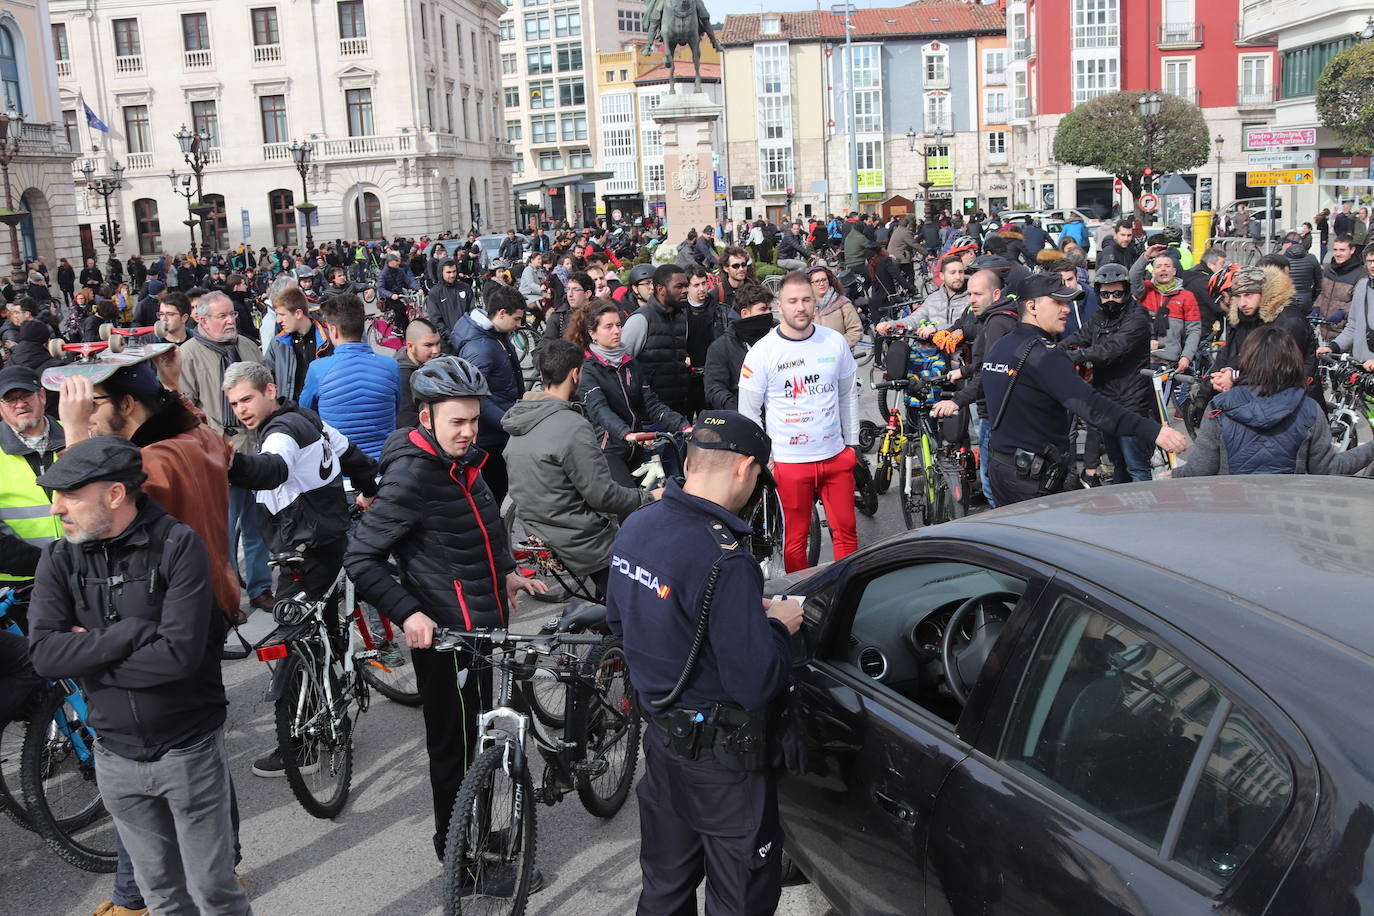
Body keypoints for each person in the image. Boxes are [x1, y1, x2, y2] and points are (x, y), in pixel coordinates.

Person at [26, 437, 251, 916]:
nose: (56, 508)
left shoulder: (177, 545)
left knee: (214, 890)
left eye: (69, 494)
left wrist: (86, 652)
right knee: (162, 898)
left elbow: (178, 658)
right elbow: (45, 655)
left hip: (186, 749)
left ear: (114, 495)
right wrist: (130, 632)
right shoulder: (59, 558)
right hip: (113, 755)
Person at [344, 356, 546, 870]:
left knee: (480, 739)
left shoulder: (461, 463)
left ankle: (476, 836)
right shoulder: (412, 475)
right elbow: (361, 559)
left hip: (481, 628)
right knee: (454, 753)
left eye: (475, 419)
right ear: (426, 417)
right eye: (457, 421)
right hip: (446, 639)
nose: (469, 430)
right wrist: (408, 612)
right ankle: (460, 856)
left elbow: (480, 528)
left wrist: (505, 573)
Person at [607, 410, 803, 916]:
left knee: (665, 891)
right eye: (759, 476)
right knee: (739, 898)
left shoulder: (638, 525)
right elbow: (756, 682)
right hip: (724, 765)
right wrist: (779, 625)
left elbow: (623, 621)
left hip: (664, 745)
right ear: (743, 469)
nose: (756, 486)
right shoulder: (726, 557)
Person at [221, 360, 379, 776]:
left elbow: (273, 470)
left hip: (303, 552)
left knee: (293, 643)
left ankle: (305, 744)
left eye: (247, 398)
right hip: (325, 542)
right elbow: (352, 455)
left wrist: (230, 462)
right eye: (234, 403)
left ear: (270, 390)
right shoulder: (308, 419)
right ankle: (336, 713)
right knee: (325, 634)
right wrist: (370, 490)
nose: (241, 409)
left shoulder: (280, 432)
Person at [980, 274, 1189, 506]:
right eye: (1058, 302)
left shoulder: (1003, 345)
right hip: (1031, 478)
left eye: (1067, 302)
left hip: (1002, 468)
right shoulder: (1045, 355)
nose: (1066, 309)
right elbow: (1093, 408)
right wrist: (1154, 431)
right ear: (1032, 307)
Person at [502, 339, 657, 597]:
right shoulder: (572, 426)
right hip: (579, 541)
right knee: (646, 566)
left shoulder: (520, 419)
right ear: (576, 374)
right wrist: (649, 497)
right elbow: (603, 496)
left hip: (540, 533)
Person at [738, 271, 860, 572]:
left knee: (847, 534)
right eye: (793, 301)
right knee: (796, 540)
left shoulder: (835, 342)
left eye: (807, 300)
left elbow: (848, 396)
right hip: (790, 463)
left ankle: (850, 596)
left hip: (835, 457)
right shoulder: (763, 351)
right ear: (780, 306)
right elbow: (749, 413)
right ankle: (799, 603)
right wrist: (765, 460)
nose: (801, 307)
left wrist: (852, 445)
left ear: (815, 303)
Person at [178, 291, 275, 615]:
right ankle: (228, 597)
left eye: (232, 314)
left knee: (258, 526)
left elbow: (266, 392)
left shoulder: (247, 347)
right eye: (222, 316)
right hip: (217, 456)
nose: (231, 320)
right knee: (222, 532)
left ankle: (261, 588)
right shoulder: (188, 354)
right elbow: (184, 408)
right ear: (201, 320)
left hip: (255, 448)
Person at [1178, 325, 1374, 477]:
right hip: (1288, 515)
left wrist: (1175, 474)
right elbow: (1330, 469)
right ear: (1293, 363)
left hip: (1235, 512)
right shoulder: (1309, 410)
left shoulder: (1220, 406)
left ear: (1247, 360)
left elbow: (1200, 469)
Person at [1060, 263, 1156, 485]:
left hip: (1131, 403)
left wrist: (1075, 356)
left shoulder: (1137, 317)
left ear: (1126, 291)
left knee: (1136, 466)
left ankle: (1146, 515)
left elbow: (1112, 349)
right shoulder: (1100, 316)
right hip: (1107, 401)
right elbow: (1079, 336)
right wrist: (1054, 351)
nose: (1111, 298)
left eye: (1117, 293)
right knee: (1116, 462)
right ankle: (1122, 513)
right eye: (1105, 294)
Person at [930, 269, 1019, 505]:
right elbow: (982, 363)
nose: (971, 300)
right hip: (995, 409)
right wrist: (963, 371)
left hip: (995, 412)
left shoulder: (998, 323)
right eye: (970, 294)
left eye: (978, 294)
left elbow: (989, 372)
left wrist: (957, 400)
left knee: (993, 484)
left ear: (996, 293)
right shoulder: (991, 319)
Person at [576, 301, 690, 485]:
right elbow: (599, 409)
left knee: (658, 493)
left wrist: (683, 426)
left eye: (619, 325)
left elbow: (651, 404)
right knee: (630, 503)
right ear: (593, 333)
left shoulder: (630, 363)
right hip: (608, 450)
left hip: (635, 447)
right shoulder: (588, 369)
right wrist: (626, 433)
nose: (617, 331)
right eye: (609, 326)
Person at [300, 293, 402, 461]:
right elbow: (394, 408)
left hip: (341, 468)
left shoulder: (318, 369)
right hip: (385, 466)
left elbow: (307, 416)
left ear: (333, 329)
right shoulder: (390, 366)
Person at [450, 284, 526, 505]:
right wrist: (507, 421)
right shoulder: (480, 347)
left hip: (500, 427)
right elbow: (474, 397)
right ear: (501, 313)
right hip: (491, 436)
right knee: (494, 493)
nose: (519, 325)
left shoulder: (494, 335)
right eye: (516, 319)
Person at [1208, 266, 1318, 403]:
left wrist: (1234, 376)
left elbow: (1280, 369)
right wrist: (1226, 372)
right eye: (1238, 296)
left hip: (1296, 401)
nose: (1242, 303)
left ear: (1263, 293)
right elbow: (1238, 354)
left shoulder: (1288, 321)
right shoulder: (1246, 318)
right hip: (1260, 399)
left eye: (1249, 295)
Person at [0, 366, 64, 588]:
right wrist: (49, 564)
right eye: (10, 399)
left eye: (26, 394)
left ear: (42, 396)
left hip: (81, 577)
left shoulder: (78, 435)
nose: (20, 404)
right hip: (18, 586)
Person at [622, 264, 692, 416]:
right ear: (661, 290)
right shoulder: (640, 320)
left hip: (678, 411)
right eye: (679, 286)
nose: (685, 290)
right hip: (649, 415)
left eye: (686, 285)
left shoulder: (682, 317)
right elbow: (622, 366)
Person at [1130, 245, 1200, 375]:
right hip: (1143, 358)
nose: (1163, 269)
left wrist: (1187, 356)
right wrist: (1145, 257)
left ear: (1174, 271)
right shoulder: (1145, 290)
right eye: (1158, 266)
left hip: (1170, 361)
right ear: (1153, 272)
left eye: (1167, 266)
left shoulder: (1187, 296)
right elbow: (1132, 277)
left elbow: (1194, 329)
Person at [704, 283, 774, 411]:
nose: (769, 314)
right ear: (745, 313)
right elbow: (714, 390)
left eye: (770, 309)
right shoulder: (721, 348)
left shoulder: (775, 340)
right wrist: (742, 409)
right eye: (763, 309)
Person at [264, 285, 332, 401]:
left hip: (323, 411)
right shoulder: (277, 344)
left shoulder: (329, 339)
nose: (278, 320)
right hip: (292, 414)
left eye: (282, 314)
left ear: (298, 314)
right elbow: (267, 381)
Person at [878, 255, 969, 338]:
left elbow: (971, 327)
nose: (958, 277)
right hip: (933, 350)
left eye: (961, 272)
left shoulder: (971, 298)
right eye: (952, 273)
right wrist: (891, 324)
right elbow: (914, 320)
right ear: (942, 276)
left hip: (961, 350)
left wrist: (936, 329)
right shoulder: (933, 298)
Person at [1312, 235, 1364, 341]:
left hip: (1344, 334)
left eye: (1342, 250)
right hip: (1323, 329)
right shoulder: (1328, 270)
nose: (1338, 254)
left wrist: (1343, 312)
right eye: (1335, 250)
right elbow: (1323, 293)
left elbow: (1360, 304)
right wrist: (1316, 307)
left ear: (1352, 250)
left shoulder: (1360, 275)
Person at [396, 318, 442, 428]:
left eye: (438, 343)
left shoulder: (431, 363)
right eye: (428, 345)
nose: (436, 350)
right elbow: (406, 421)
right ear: (410, 346)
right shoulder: (401, 377)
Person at [807, 264, 863, 350]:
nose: (821, 283)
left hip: (838, 355)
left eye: (824, 280)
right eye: (817, 281)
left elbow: (855, 329)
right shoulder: (805, 305)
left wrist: (839, 346)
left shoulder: (842, 303)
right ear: (810, 284)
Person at [425, 258, 474, 352]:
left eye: (454, 271)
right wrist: (451, 336)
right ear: (441, 273)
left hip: (467, 340)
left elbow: (472, 311)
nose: (452, 275)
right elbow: (436, 320)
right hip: (447, 344)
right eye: (448, 272)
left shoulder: (465, 288)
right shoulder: (435, 293)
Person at [376, 251, 421, 334]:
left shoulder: (400, 271)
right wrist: (391, 295)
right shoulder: (383, 274)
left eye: (398, 260)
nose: (398, 262)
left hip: (399, 295)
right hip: (388, 297)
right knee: (400, 308)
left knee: (406, 316)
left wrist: (418, 289)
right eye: (396, 261)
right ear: (389, 262)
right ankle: (396, 328)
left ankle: (405, 334)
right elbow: (381, 288)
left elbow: (409, 282)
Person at [545, 269, 592, 344]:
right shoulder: (558, 317)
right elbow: (543, 348)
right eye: (568, 289)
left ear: (587, 294)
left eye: (575, 290)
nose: (570, 294)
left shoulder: (600, 314)